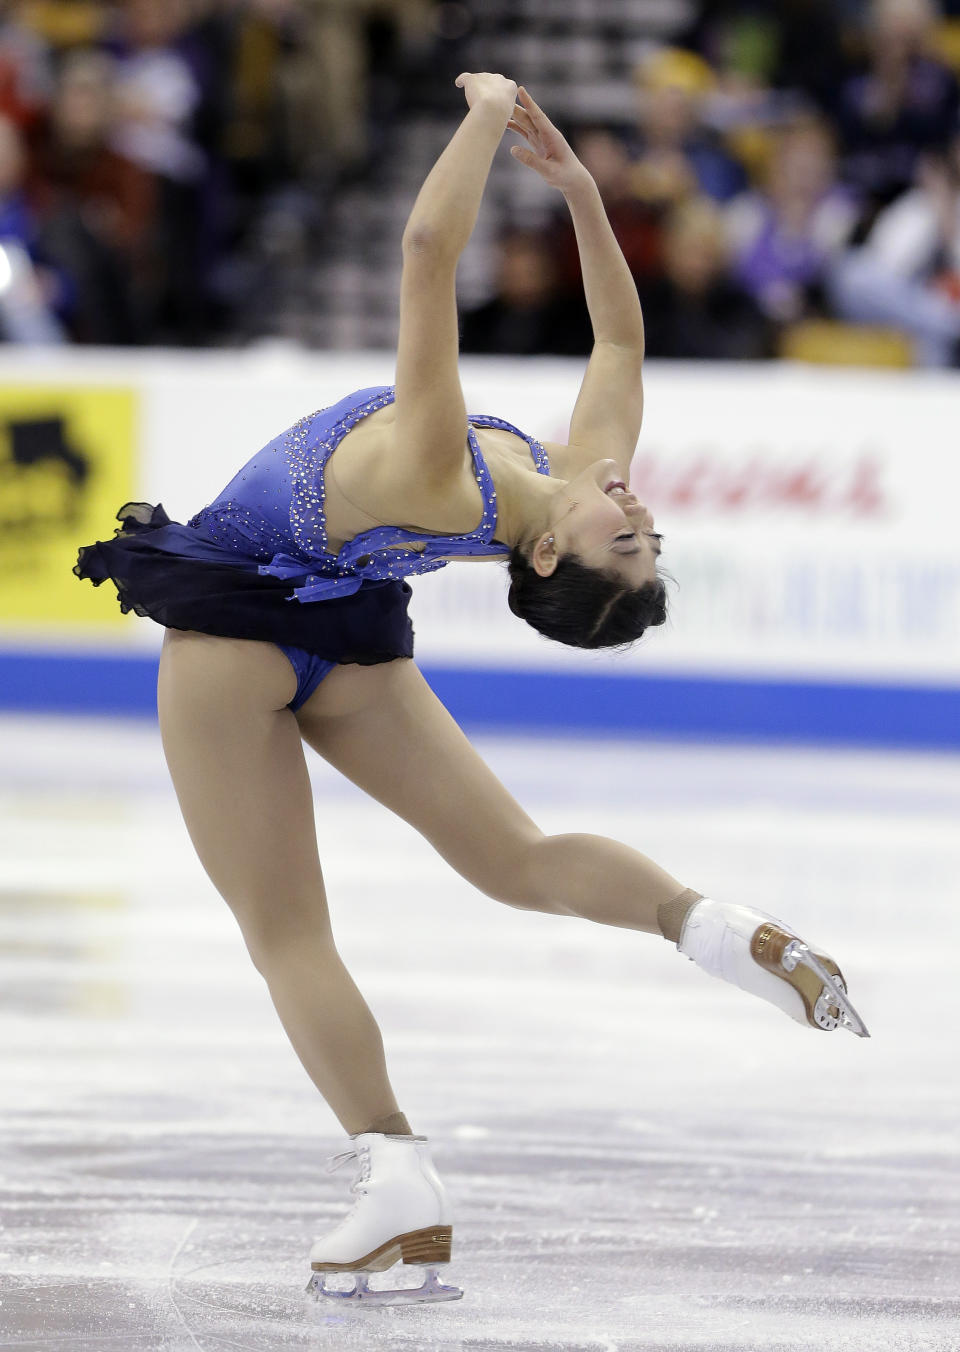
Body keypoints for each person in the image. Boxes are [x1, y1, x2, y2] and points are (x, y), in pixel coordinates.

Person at [75, 74, 868, 1306]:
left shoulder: (446, 462)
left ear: (550, 556)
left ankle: (396, 1170)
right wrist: (587, 197)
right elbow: (618, 338)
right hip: (345, 621)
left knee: (287, 930)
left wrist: (492, 112)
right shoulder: (577, 473)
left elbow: (427, 247)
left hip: (241, 620)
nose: (641, 517)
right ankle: (703, 929)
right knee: (517, 858)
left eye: (629, 543)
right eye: (649, 538)